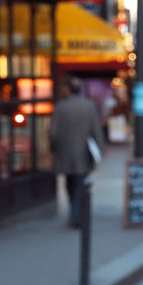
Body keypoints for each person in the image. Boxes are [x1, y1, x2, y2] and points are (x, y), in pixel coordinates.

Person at [50, 76, 104, 228]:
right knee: (81, 183)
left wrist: (53, 148)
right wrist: (100, 150)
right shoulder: (89, 106)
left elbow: (53, 133)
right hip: (83, 153)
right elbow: (96, 130)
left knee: (70, 184)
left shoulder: (60, 107)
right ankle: (77, 214)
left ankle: (74, 214)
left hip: (65, 153)